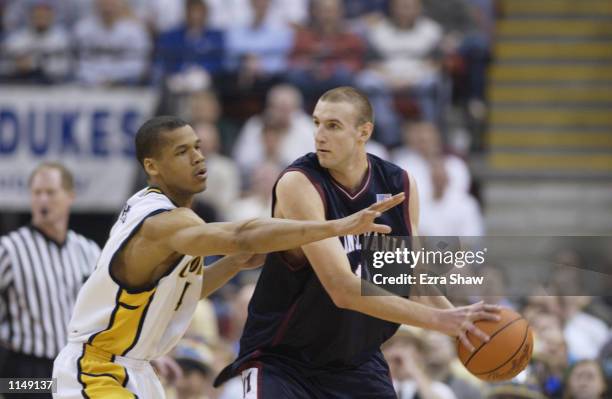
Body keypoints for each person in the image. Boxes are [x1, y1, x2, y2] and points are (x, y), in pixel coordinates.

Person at [52, 115, 403, 398]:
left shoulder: (153, 207)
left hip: (134, 369)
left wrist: (232, 265)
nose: (197, 157)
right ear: (152, 166)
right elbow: (240, 234)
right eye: (181, 152)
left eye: (197, 147)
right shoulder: (164, 222)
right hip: (96, 369)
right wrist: (336, 226)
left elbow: (177, 295)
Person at [215, 87, 501, 397]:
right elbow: (342, 288)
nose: (320, 135)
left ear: (364, 132)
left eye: (333, 126)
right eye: (317, 123)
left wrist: (461, 326)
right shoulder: (300, 183)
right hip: (284, 362)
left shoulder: (398, 184)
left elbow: (410, 277)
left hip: (356, 361)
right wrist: (440, 321)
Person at [0, 162, 100, 399]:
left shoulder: (88, 250)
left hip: (73, 366)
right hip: (25, 371)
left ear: (70, 197)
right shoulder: (10, 249)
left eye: (50, 192)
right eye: (37, 193)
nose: (43, 200)